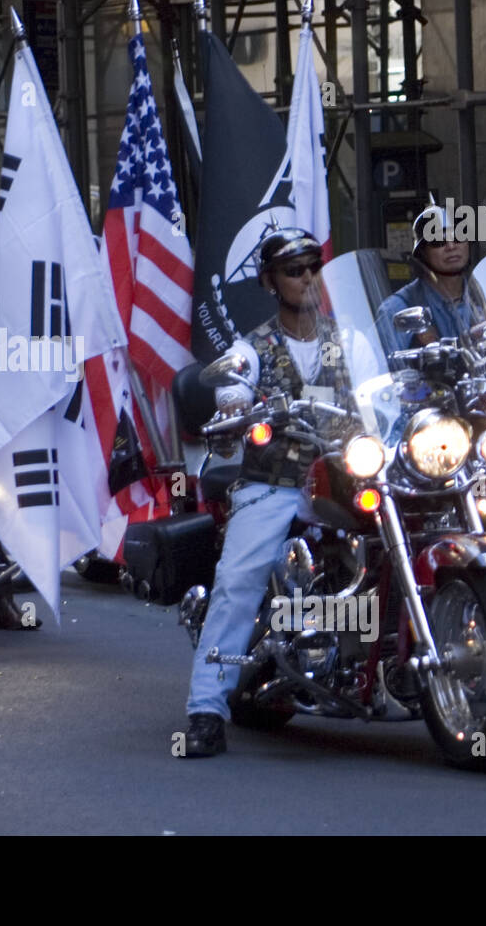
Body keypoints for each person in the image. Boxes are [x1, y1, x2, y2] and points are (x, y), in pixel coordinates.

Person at [182, 227, 361, 758]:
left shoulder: (349, 337)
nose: (307, 276)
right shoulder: (251, 346)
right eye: (294, 269)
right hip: (275, 483)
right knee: (237, 581)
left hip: (351, 478)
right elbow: (233, 384)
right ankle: (206, 710)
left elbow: (385, 384)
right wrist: (236, 406)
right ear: (270, 282)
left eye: (312, 266)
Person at [376, 198, 486, 351]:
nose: (451, 246)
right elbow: (385, 370)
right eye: (438, 241)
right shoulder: (399, 309)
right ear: (422, 253)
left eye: (459, 236)